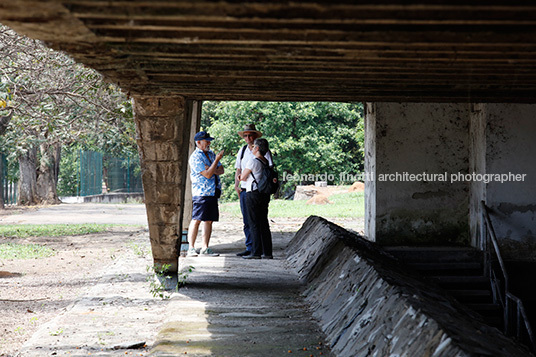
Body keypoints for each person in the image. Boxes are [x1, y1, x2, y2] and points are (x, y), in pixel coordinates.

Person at [234, 124, 273, 256]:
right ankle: (259, 249)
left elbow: (242, 175)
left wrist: (240, 178)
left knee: (254, 222)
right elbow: (238, 168)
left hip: (254, 191)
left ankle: (255, 251)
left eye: (250, 135)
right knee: (256, 221)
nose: (248, 137)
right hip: (250, 191)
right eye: (245, 135)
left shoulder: (256, 158)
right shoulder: (244, 150)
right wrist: (237, 185)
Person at [187, 131, 225, 257]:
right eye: (206, 141)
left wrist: (210, 167)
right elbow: (208, 174)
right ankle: (191, 248)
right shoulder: (195, 157)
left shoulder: (211, 154)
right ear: (198, 142)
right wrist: (215, 163)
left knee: (209, 220)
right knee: (197, 219)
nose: (209, 143)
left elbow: (221, 170)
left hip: (212, 191)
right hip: (201, 192)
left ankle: (205, 247)